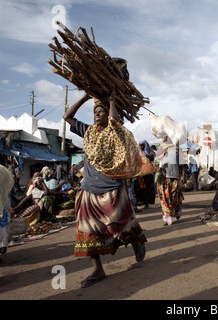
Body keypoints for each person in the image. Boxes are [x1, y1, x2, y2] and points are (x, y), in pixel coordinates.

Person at [63, 90, 147, 288]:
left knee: (121, 223)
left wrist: (111, 102)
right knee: (87, 231)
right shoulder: (88, 131)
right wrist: (84, 98)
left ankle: (137, 242)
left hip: (112, 186)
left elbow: (115, 123)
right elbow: (67, 117)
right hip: (88, 189)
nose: (97, 114)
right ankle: (98, 269)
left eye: (101, 112)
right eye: (95, 112)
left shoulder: (114, 132)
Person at [155, 134, 186, 226]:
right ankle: (166, 217)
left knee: (175, 197)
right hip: (163, 178)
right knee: (164, 198)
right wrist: (157, 169)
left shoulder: (177, 150)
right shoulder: (160, 150)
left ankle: (177, 211)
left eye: (168, 136)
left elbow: (182, 165)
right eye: (164, 136)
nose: (166, 137)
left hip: (175, 177)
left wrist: (184, 176)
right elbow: (155, 163)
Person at [133, 139, 156, 208]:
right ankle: (141, 202)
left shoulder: (150, 153)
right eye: (140, 145)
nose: (141, 147)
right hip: (141, 173)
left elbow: (153, 159)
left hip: (148, 174)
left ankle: (147, 203)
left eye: (142, 145)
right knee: (140, 188)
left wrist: (147, 156)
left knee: (148, 189)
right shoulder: (139, 153)